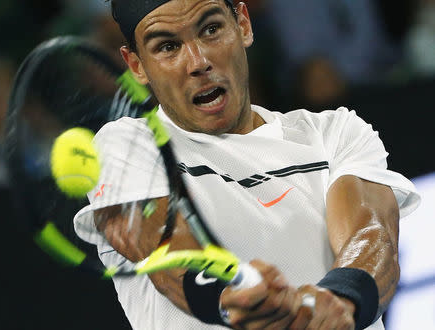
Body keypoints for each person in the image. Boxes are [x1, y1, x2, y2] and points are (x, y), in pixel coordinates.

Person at [74, 1, 420, 329]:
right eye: (167, 47)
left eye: (210, 29)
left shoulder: (335, 132)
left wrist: (341, 300)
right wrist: (231, 297)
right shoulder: (126, 147)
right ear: (136, 66)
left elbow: (372, 236)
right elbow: (169, 255)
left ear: (243, 24)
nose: (197, 62)